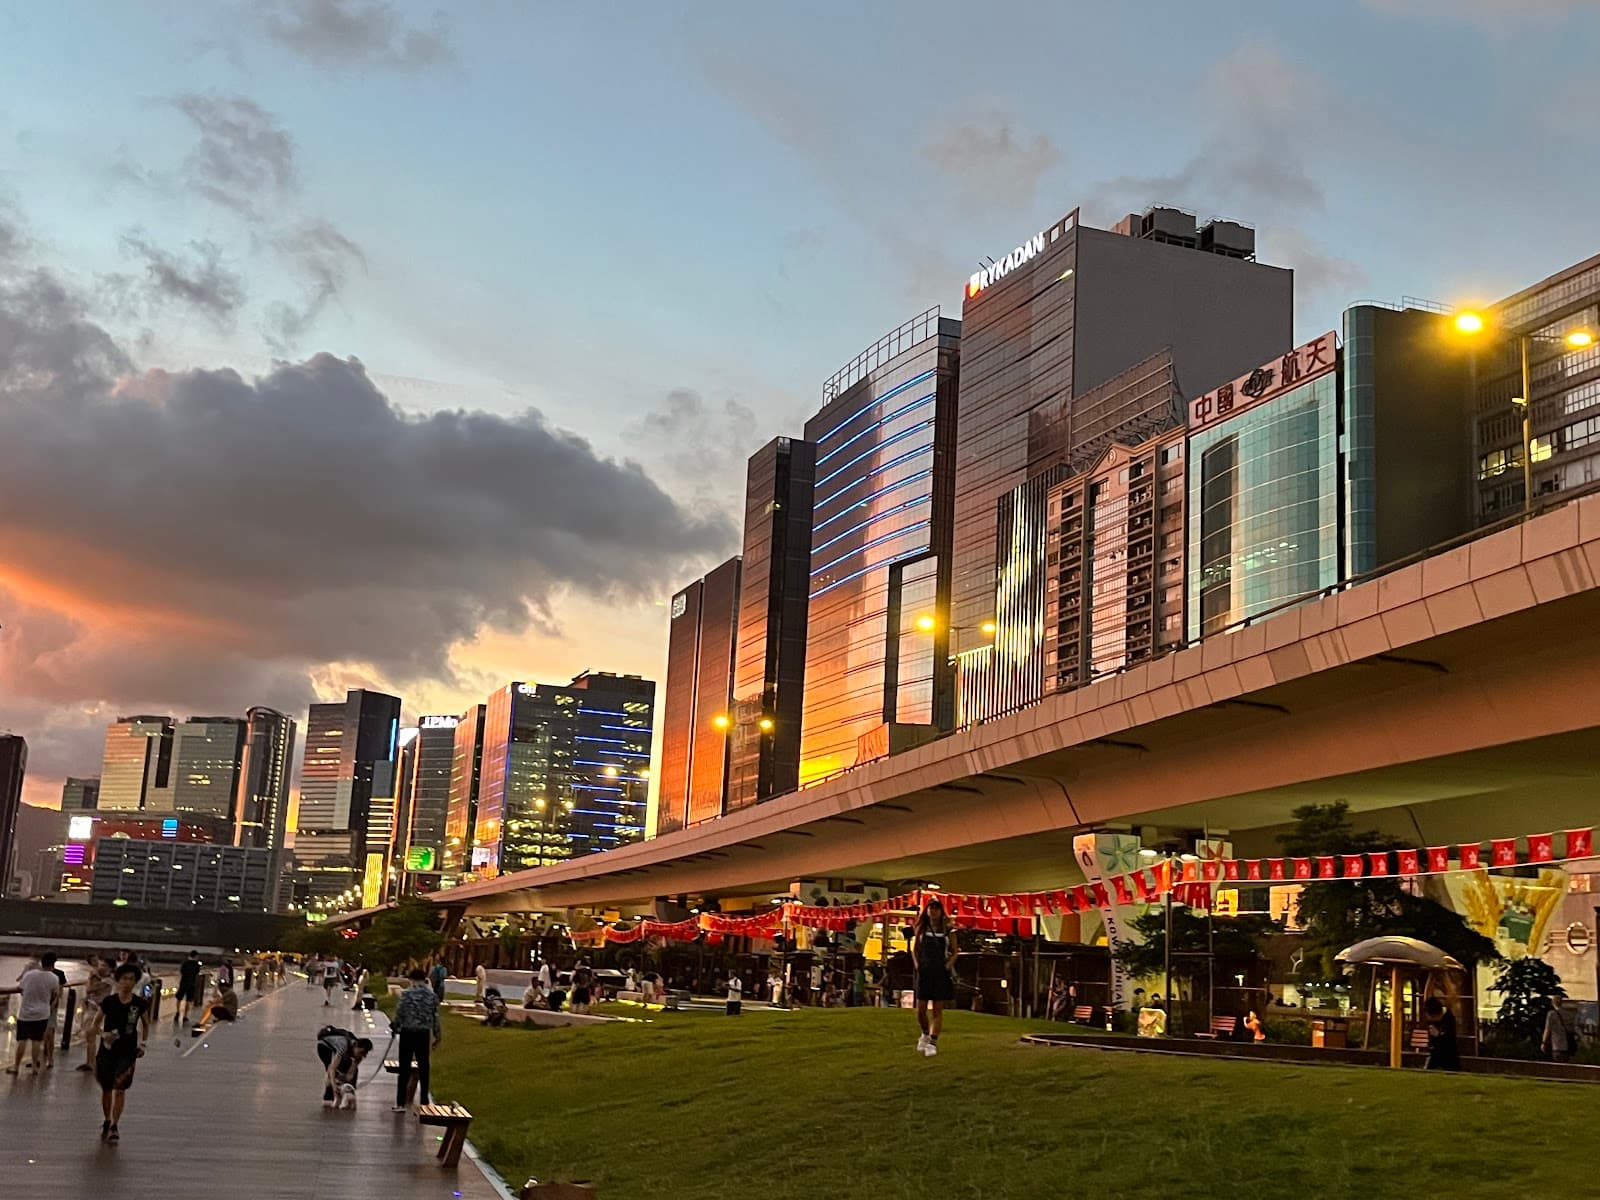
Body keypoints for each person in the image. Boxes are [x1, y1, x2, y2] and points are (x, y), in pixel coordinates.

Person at [94, 962, 150, 1141]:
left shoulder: (139, 1004)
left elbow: (146, 1025)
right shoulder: (109, 1002)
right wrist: (103, 1034)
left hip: (128, 1050)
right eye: (124, 979)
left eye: (131, 979)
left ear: (135, 982)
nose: (127, 982)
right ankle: (107, 1118)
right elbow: (95, 1025)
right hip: (107, 1049)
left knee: (121, 1087)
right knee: (106, 1088)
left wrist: (143, 1044)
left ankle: (115, 1125)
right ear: (117, 981)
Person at [911, 898, 957, 1057]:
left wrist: (948, 965)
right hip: (924, 971)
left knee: (937, 1010)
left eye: (937, 908)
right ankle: (924, 1033)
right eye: (931, 908)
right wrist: (917, 965)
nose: (934, 911)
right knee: (921, 1009)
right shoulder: (922, 928)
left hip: (940, 972)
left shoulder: (948, 930)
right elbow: (915, 949)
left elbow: (955, 951)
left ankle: (933, 1041)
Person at [391, 967, 441, 1112]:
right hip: (423, 1034)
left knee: (404, 1068)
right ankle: (424, 1100)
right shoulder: (432, 996)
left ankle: (400, 1103)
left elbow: (400, 1013)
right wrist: (438, 1035)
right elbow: (435, 1017)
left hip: (407, 1033)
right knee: (424, 1066)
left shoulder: (406, 995)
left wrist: (396, 1026)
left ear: (411, 979)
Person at [8, 953, 61, 1074]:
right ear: (53, 964)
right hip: (42, 1013)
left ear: (41, 962)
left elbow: (20, 988)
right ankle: (34, 1068)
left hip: (26, 1012)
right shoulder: (54, 978)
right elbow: (54, 995)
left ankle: (16, 1066)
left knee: (22, 1040)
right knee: (37, 1040)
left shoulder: (29, 975)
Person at [315, 1026, 373, 1107]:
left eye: (364, 1053)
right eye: (361, 1052)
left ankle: (349, 1094)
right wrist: (334, 1085)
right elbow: (332, 1069)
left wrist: (348, 1082)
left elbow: (352, 1072)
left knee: (346, 1068)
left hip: (341, 1048)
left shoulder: (360, 1055)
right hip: (324, 1047)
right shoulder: (343, 1047)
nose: (362, 1055)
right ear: (356, 1046)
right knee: (334, 1069)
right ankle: (330, 1095)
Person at [78, 955, 114, 1072]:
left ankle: (92, 1062)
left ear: (110, 968)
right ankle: (90, 1062)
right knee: (90, 1036)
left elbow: (89, 989)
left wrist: (92, 978)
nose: (100, 967)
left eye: (104, 965)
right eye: (100, 965)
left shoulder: (108, 980)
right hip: (91, 1008)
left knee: (91, 1033)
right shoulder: (99, 978)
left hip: (98, 1010)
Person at [42, 953, 68, 1068]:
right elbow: (60, 991)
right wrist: (55, 1003)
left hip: (40, 1005)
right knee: (49, 1032)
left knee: (40, 1032)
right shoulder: (59, 974)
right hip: (52, 1005)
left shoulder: (39, 974)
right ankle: (49, 1058)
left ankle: (41, 1057)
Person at [1423, 997, 1460, 1071]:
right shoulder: (1432, 1022)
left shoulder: (1449, 1020)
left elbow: (1450, 1042)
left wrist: (1438, 1035)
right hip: (1435, 1055)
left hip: (1449, 1058)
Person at [1543, 995, 1576, 1063]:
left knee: (1558, 1063)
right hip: (1567, 1043)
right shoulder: (1568, 1014)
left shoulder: (1551, 1014)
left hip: (1557, 1043)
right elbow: (1572, 1028)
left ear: (1552, 1003)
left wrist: (1544, 1042)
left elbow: (1547, 1028)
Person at [175, 950, 203, 1025]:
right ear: (195, 956)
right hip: (191, 984)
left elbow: (182, 971)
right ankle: (185, 1015)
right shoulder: (196, 964)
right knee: (189, 999)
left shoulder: (185, 963)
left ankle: (177, 1012)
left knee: (179, 998)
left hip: (183, 982)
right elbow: (197, 972)